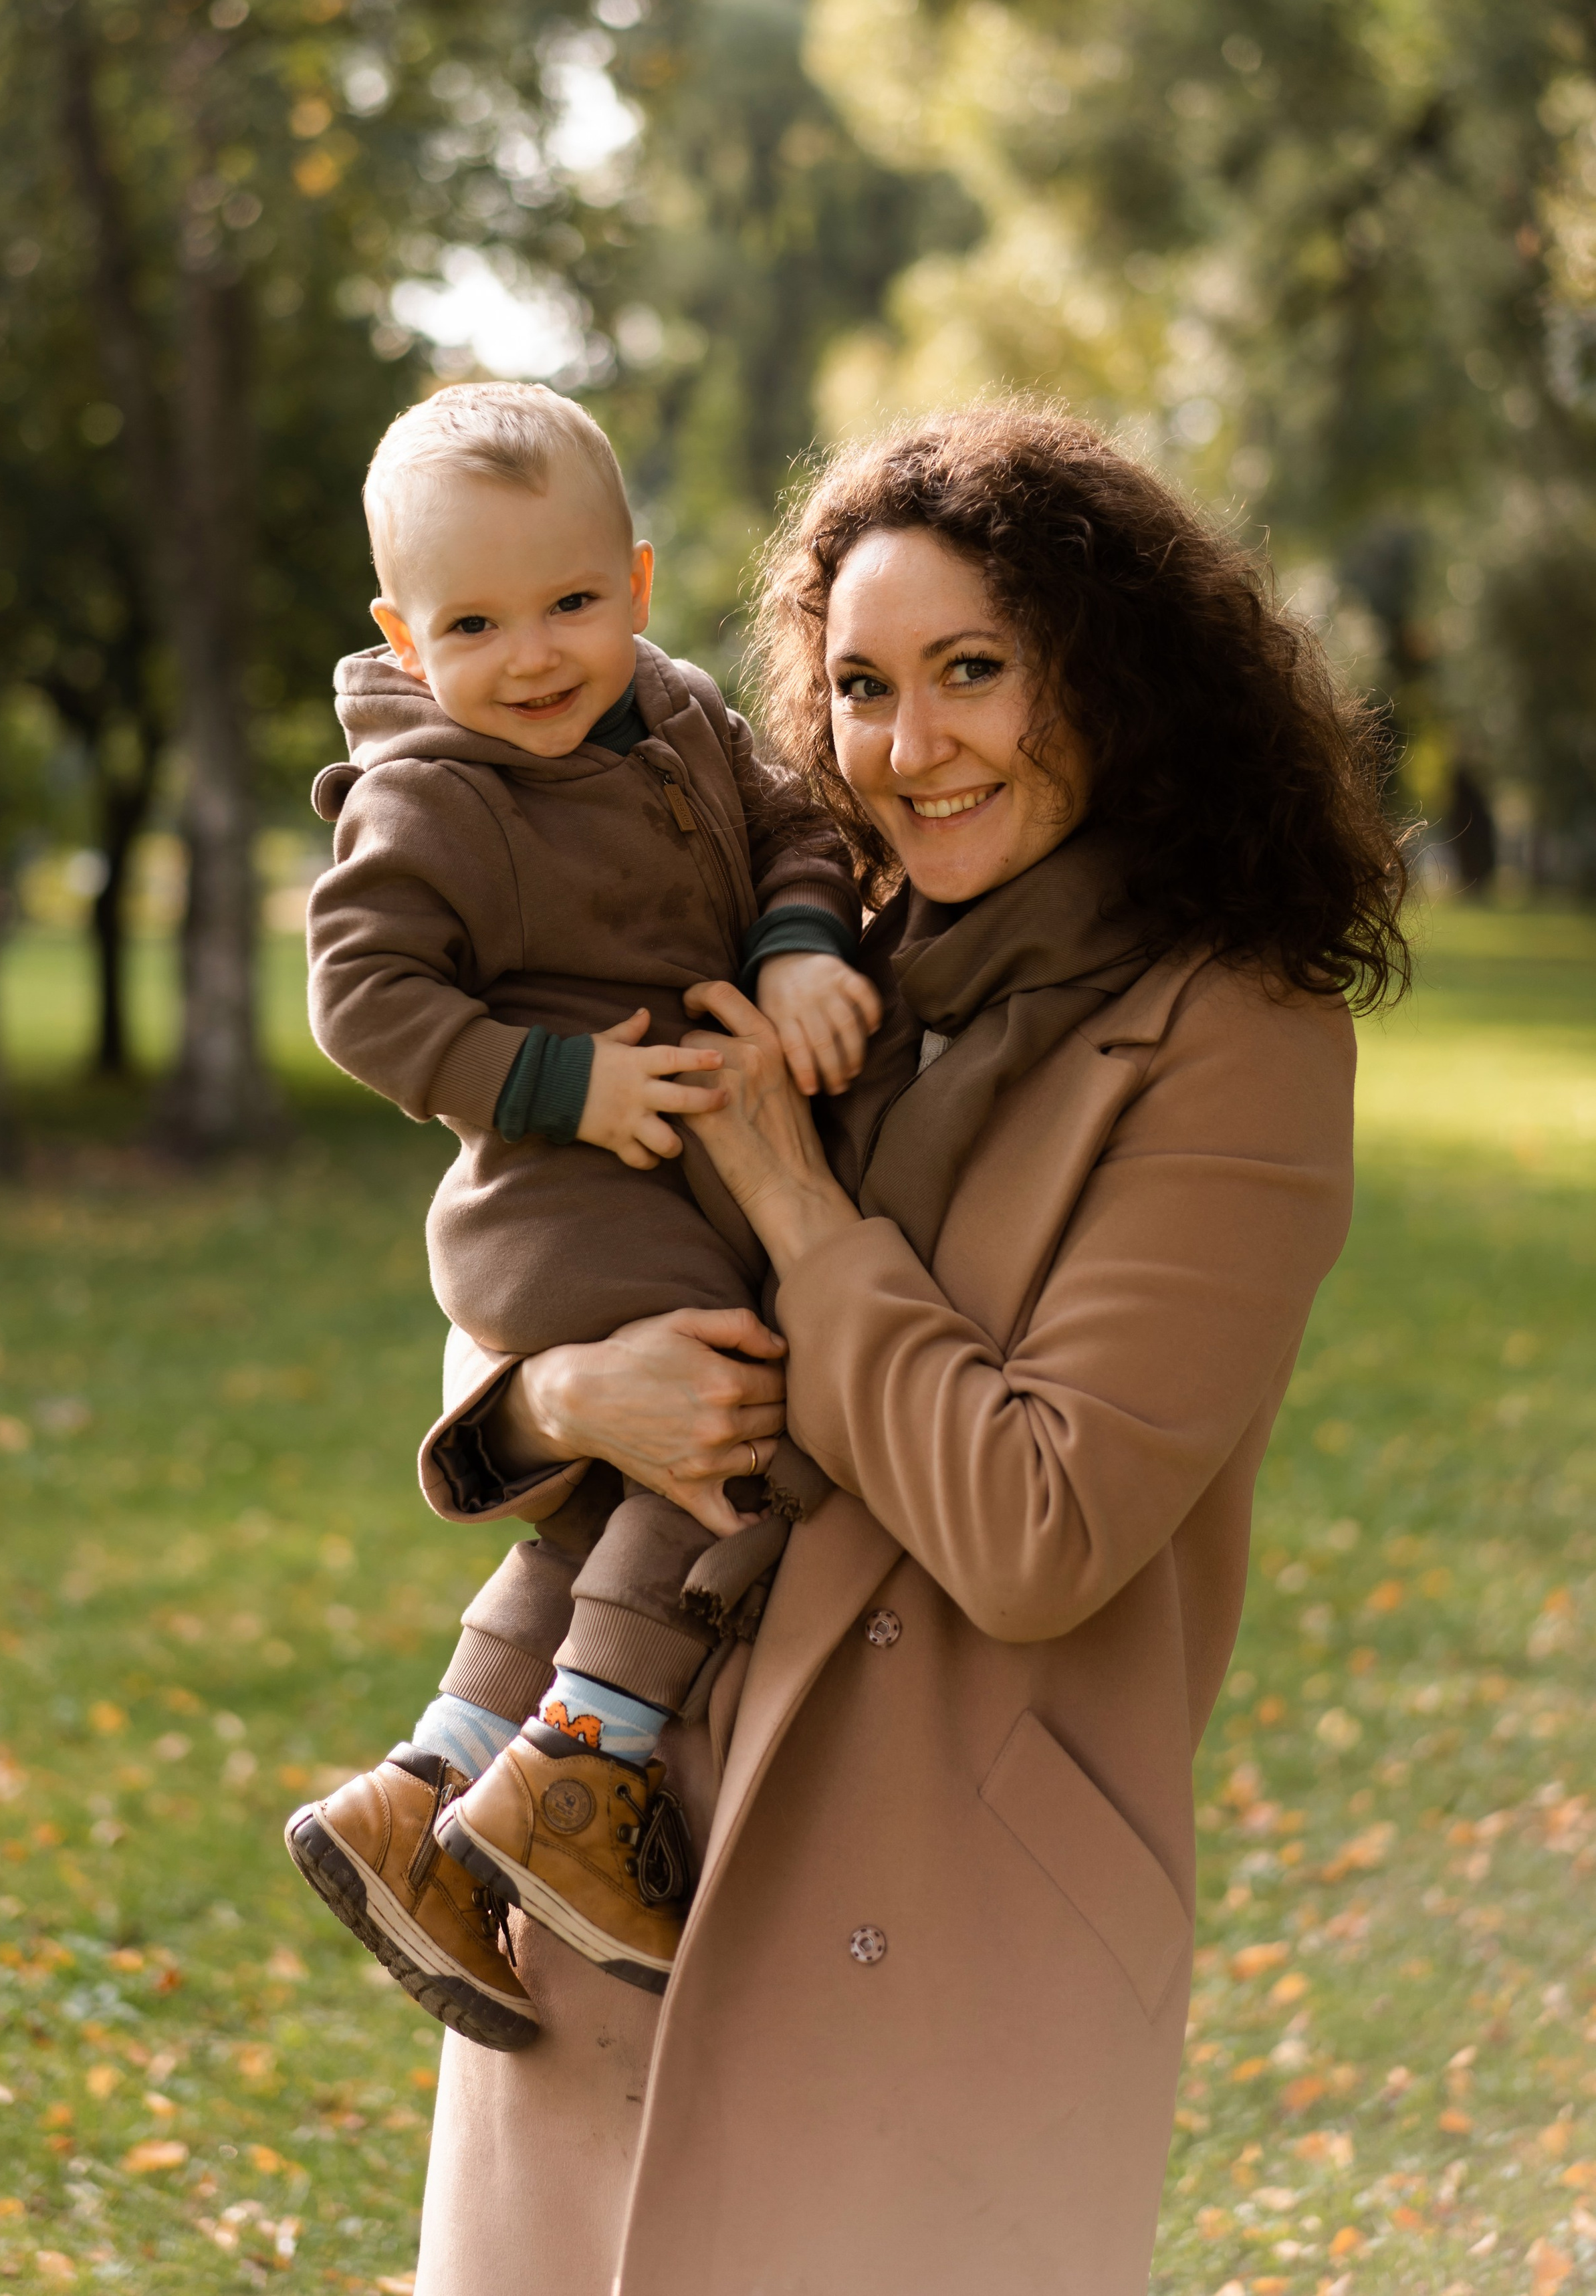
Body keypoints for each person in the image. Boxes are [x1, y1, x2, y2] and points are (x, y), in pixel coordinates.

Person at [409, 401, 1408, 2296]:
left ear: (1112, 685)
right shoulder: (821, 945)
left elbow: (1040, 1522)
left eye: (974, 673)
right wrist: (555, 1395)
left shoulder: (1238, 1036)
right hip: (610, 1827)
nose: (911, 746)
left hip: (945, 1902)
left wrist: (799, 1208)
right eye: (862, 686)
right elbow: (550, 1219)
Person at [283, 383, 877, 2041]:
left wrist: (800, 945)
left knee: (597, 1515)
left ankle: (430, 1794)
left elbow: (792, 827)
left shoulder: (676, 710)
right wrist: (561, 1082)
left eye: (569, 605)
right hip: (567, 1191)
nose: (533, 656)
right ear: (404, 634)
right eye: (472, 623)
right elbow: (361, 1000)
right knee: (738, 1410)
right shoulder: (438, 795)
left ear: (632, 577)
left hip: (659, 1169)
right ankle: (586, 1769)